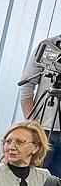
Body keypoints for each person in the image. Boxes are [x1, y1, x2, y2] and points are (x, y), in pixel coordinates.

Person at [19, 33, 61, 176]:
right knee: (31, 177)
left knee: (56, 185)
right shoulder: (49, 46)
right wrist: (31, 120)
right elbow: (26, 84)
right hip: (43, 129)